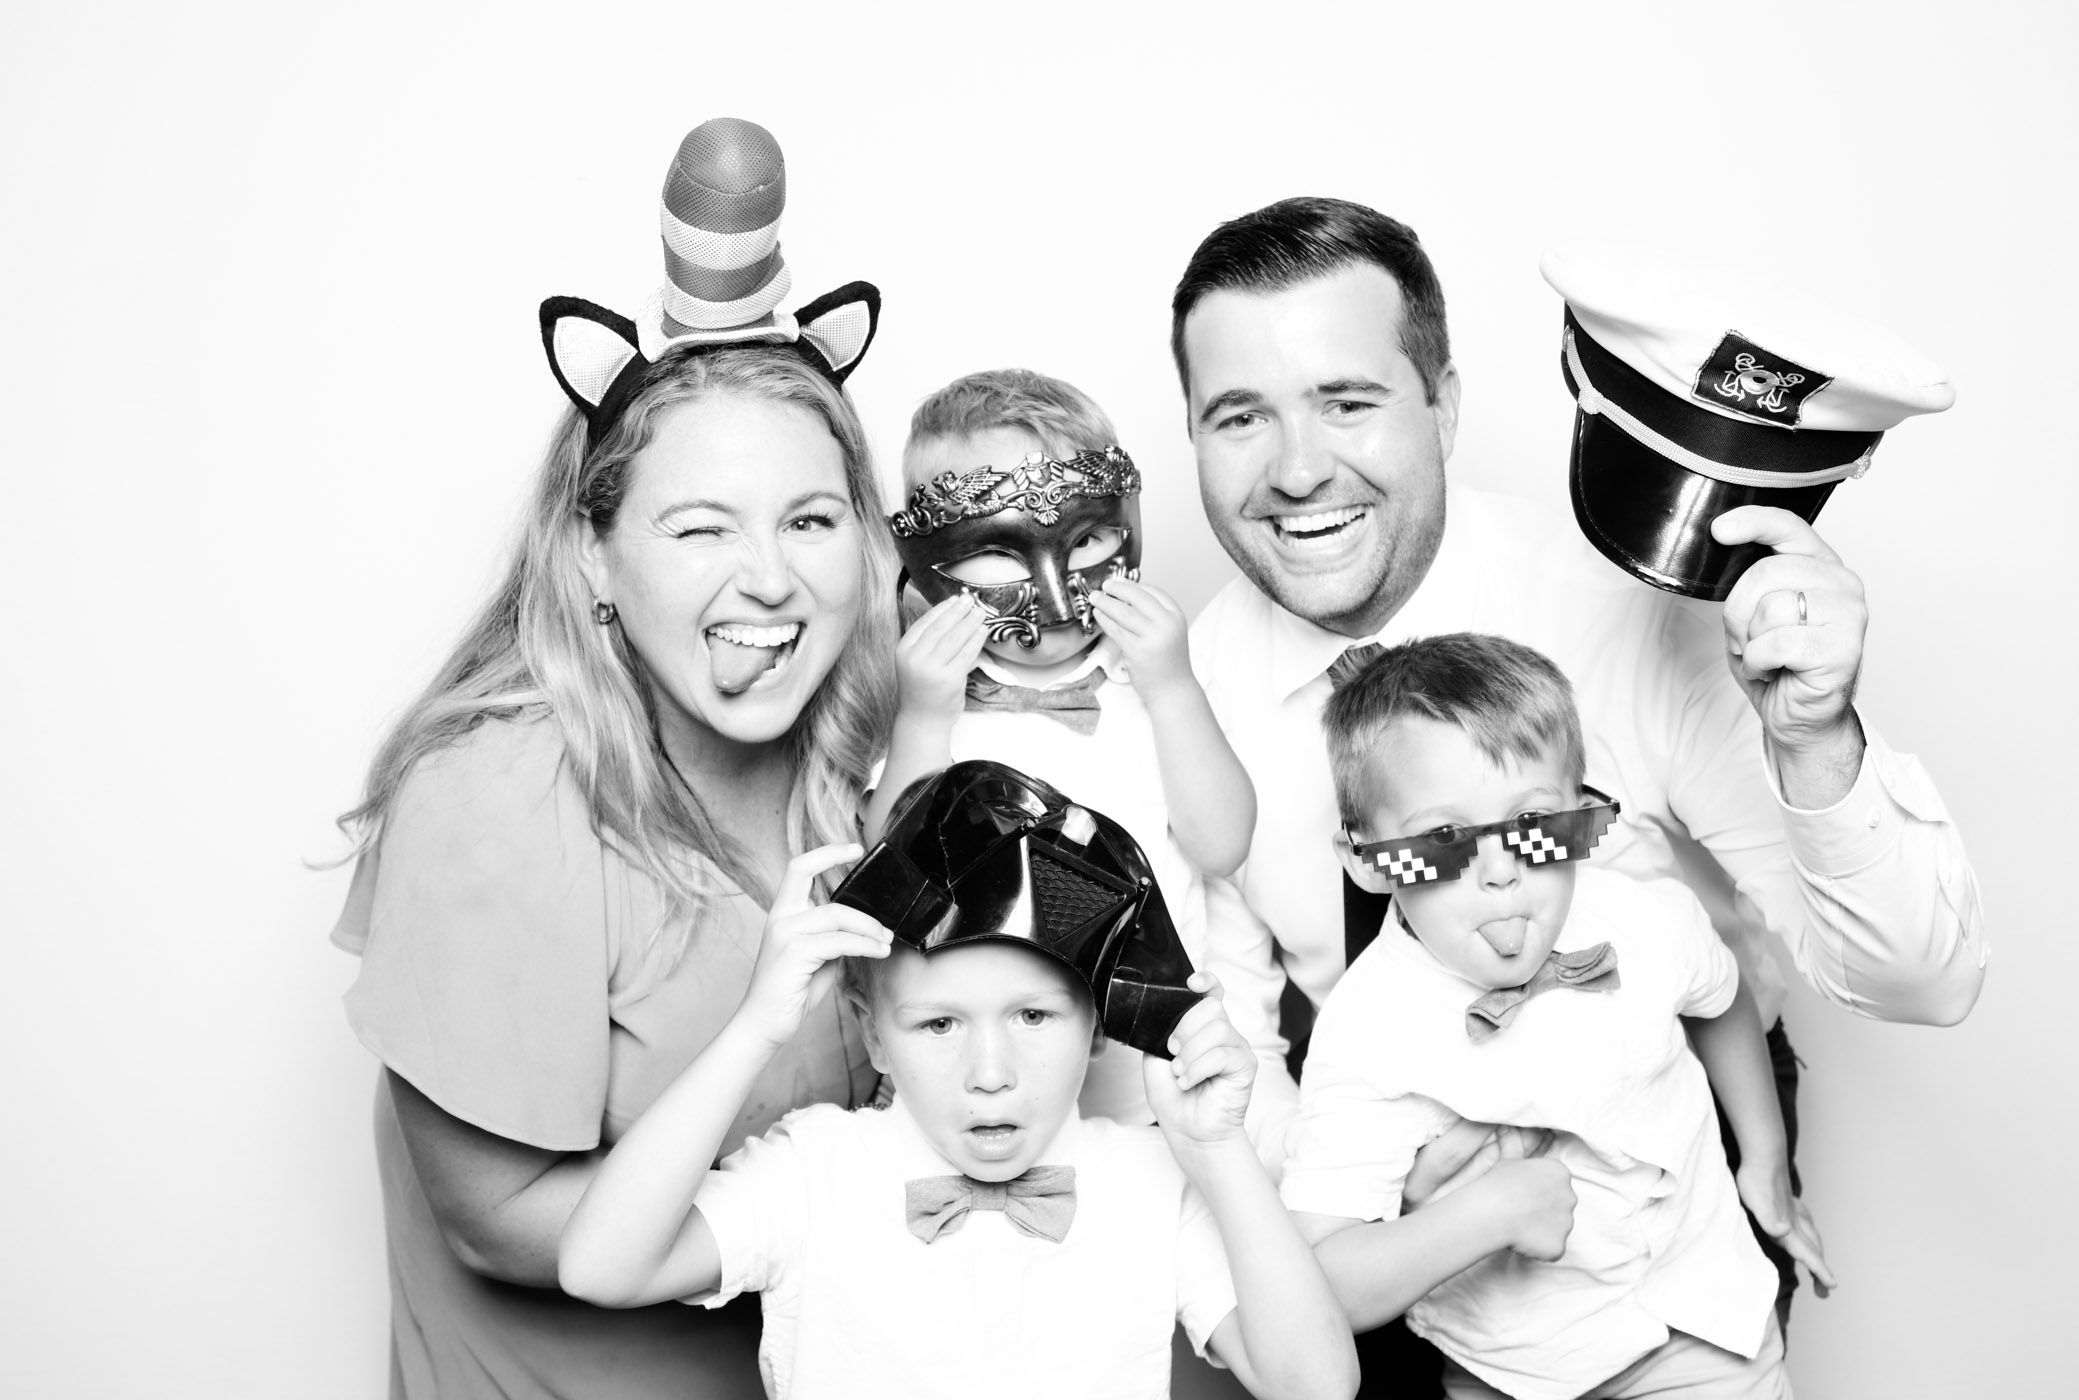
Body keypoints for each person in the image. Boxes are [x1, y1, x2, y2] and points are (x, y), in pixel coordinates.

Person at [1170, 197, 1986, 1329]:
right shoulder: (1182, 697)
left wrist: (1814, 741)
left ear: (1444, 405)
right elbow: (1229, 1036)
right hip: (1382, 1195)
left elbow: (1923, 982)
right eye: (1239, 417)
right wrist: (1371, 1199)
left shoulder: (1628, 611)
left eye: (1347, 402)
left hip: (1671, 1169)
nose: (1298, 470)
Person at [330, 118, 894, 1398]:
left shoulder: (873, 749)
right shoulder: (497, 799)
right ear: (593, 552)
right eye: (700, 528)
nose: (771, 580)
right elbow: (494, 1217)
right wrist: (846, 1218)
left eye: (811, 519)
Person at [556, 834, 1359, 1400]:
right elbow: (598, 1268)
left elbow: (1318, 1386)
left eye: (1033, 1017)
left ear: (1098, 1023)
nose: (991, 1074)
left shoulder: (1152, 1179)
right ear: (874, 1034)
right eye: (939, 1024)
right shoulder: (812, 1170)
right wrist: (755, 1028)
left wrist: (1217, 1148)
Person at [1286, 633, 1836, 1399]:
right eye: (1443, 838)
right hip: (1511, 1374)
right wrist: (1488, 1215)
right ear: (1368, 860)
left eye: (1533, 823)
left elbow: (1722, 998)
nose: (1502, 872)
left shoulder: (1644, 918)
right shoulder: (1366, 1032)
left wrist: (1765, 1159)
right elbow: (1322, 1287)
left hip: (1706, 1327)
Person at [865, 369, 1255, 1122]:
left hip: (1156, 1090)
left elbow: (1223, 845)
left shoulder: (1159, 688)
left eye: (1087, 539)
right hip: (980, 1095)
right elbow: (892, 888)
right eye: (1000, 552)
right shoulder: (926, 704)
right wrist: (921, 722)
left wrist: (1174, 689)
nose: (1051, 590)